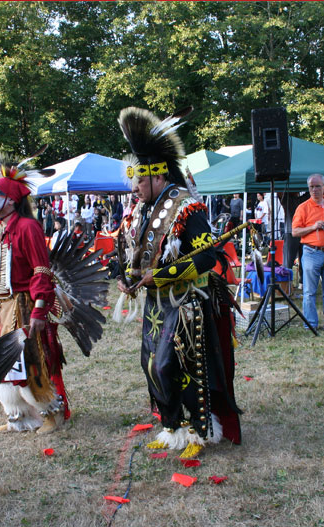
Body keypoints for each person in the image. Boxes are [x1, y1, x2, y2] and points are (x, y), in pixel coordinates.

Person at [115, 106, 241, 459]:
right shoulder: (142, 210)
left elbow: (207, 257)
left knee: (180, 365)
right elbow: (135, 255)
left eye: (139, 180)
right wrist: (128, 279)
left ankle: (199, 432)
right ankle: (171, 428)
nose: (135, 188)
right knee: (151, 364)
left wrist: (166, 274)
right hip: (156, 304)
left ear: (157, 176)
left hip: (186, 303)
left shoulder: (187, 207)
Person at [0, 155, 67, 435]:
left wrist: (38, 311)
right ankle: (17, 417)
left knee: (27, 362)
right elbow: (6, 269)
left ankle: (49, 415)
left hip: (22, 305)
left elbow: (41, 271)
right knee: (3, 364)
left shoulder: (27, 228)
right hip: (2, 307)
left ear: (10, 199)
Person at [291, 174, 324, 331]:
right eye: (311, 187)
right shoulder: (303, 207)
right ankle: (311, 324)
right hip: (311, 252)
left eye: (317, 186)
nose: (314, 190)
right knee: (309, 291)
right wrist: (313, 227)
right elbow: (294, 231)